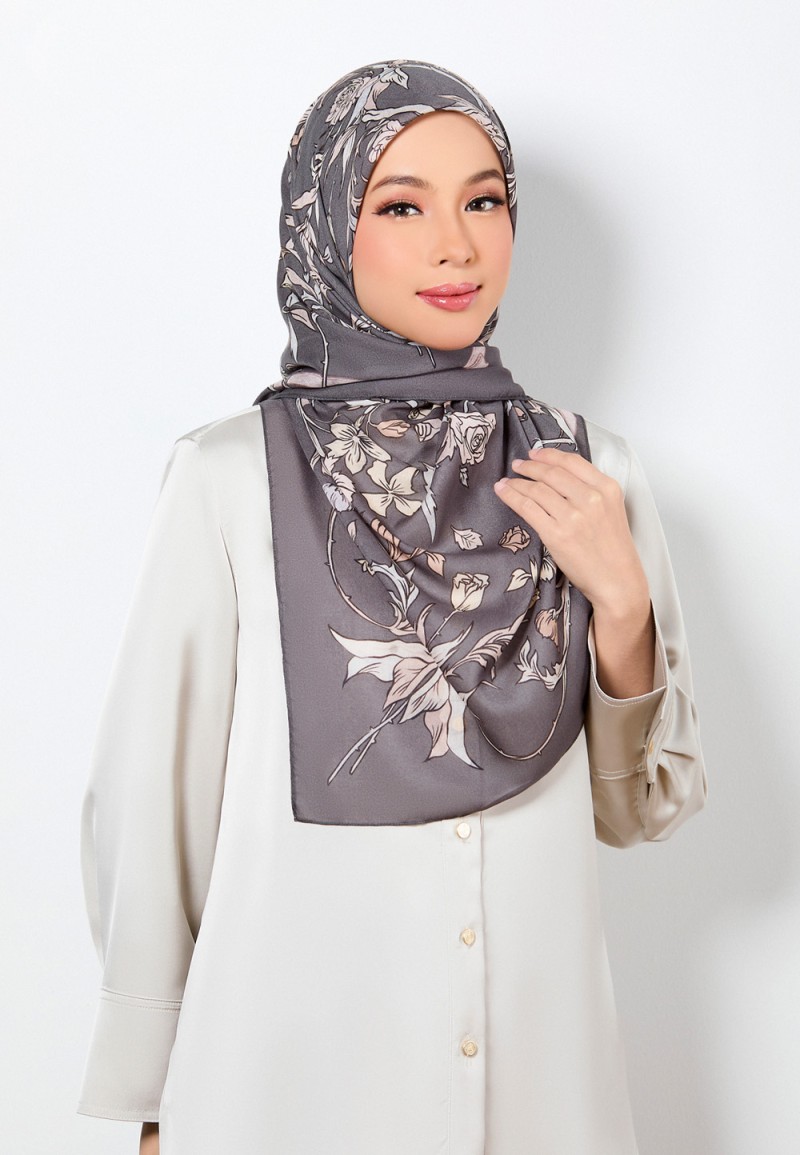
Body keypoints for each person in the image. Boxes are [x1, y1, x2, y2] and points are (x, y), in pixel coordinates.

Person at [78, 60, 706, 1154]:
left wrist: (621, 610)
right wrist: (154, 1098)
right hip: (283, 1085)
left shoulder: (586, 474)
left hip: (538, 1093)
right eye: (402, 206)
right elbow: (153, 804)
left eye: (483, 201)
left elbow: (635, 811)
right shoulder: (230, 477)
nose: (456, 247)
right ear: (325, 226)